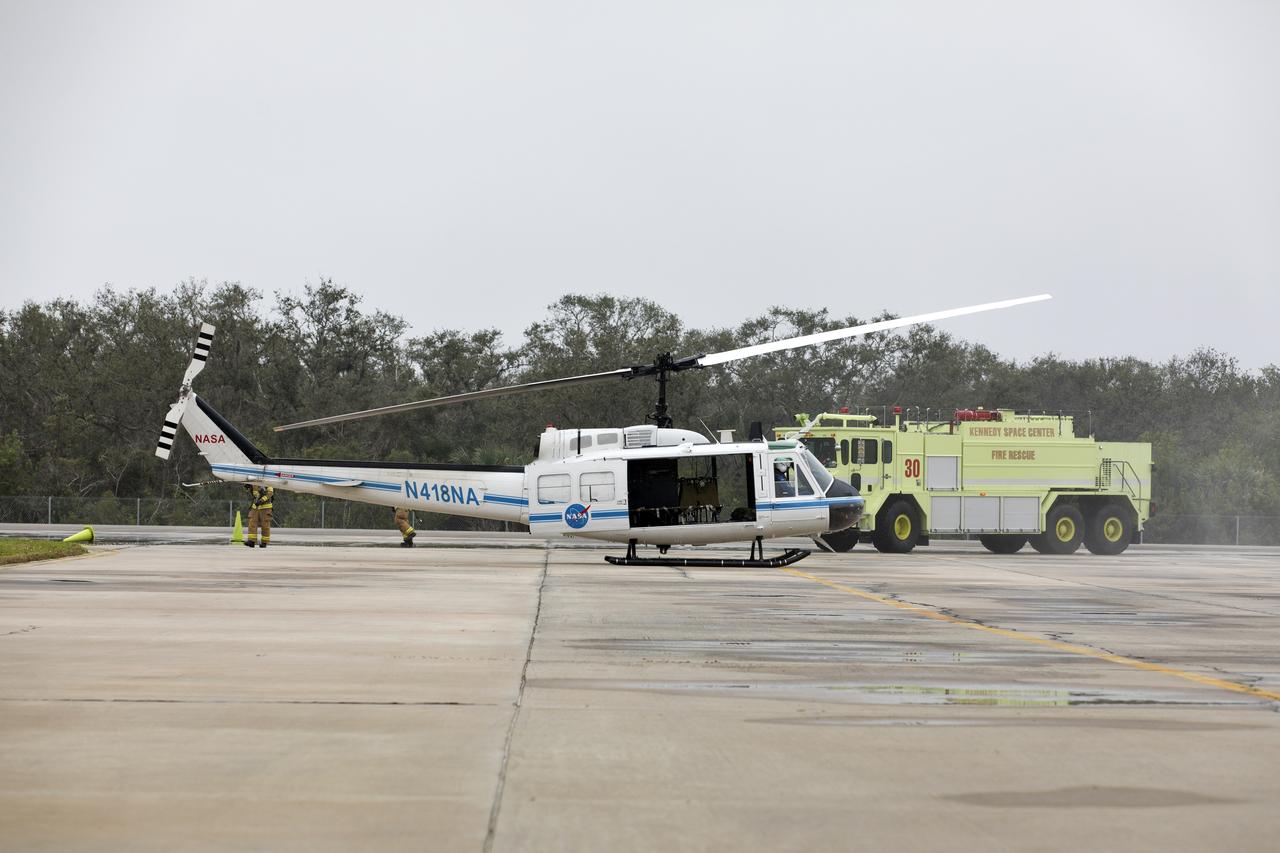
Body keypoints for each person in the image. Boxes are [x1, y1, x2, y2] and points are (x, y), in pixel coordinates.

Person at [244, 483, 274, 548]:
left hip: (265, 507)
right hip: (255, 507)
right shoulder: (254, 482)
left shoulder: (267, 481)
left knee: (265, 525)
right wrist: (249, 488)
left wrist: (261, 501)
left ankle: (264, 542)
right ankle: (251, 541)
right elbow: (255, 494)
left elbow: (270, 493)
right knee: (252, 523)